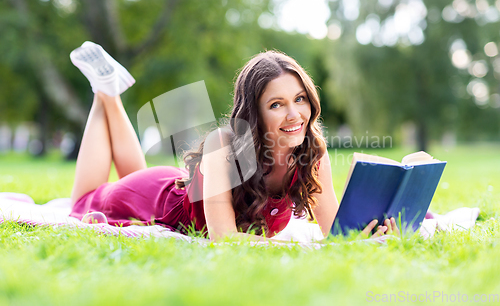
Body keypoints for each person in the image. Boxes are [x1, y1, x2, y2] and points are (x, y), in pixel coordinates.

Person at [68, 41, 399, 242]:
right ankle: (105, 94)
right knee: (82, 202)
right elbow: (224, 238)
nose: (294, 114)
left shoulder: (313, 150)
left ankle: (107, 88)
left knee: (126, 174)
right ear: (253, 115)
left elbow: (334, 233)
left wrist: (370, 236)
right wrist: (296, 249)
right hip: (151, 200)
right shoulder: (223, 146)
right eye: (276, 104)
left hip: (173, 188)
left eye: (300, 99)